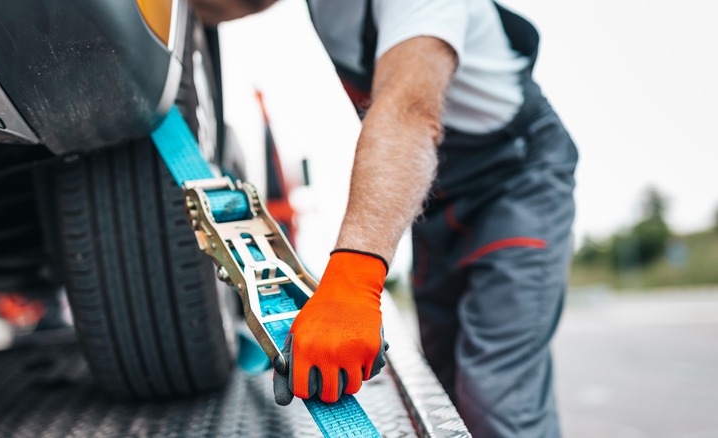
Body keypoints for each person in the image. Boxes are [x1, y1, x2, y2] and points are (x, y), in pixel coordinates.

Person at [190, 1, 578, 436]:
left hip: (514, 180)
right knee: (448, 388)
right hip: (433, 190)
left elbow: (409, 112)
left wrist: (352, 284)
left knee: (495, 401)